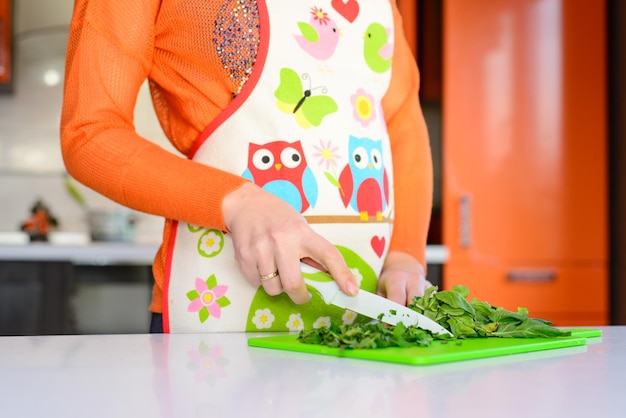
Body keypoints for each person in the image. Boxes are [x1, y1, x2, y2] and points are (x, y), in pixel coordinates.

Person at [60, 0, 433, 333]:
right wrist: (238, 203)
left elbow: (402, 125)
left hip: (369, 316)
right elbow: (90, 135)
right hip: (218, 315)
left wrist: (404, 255)